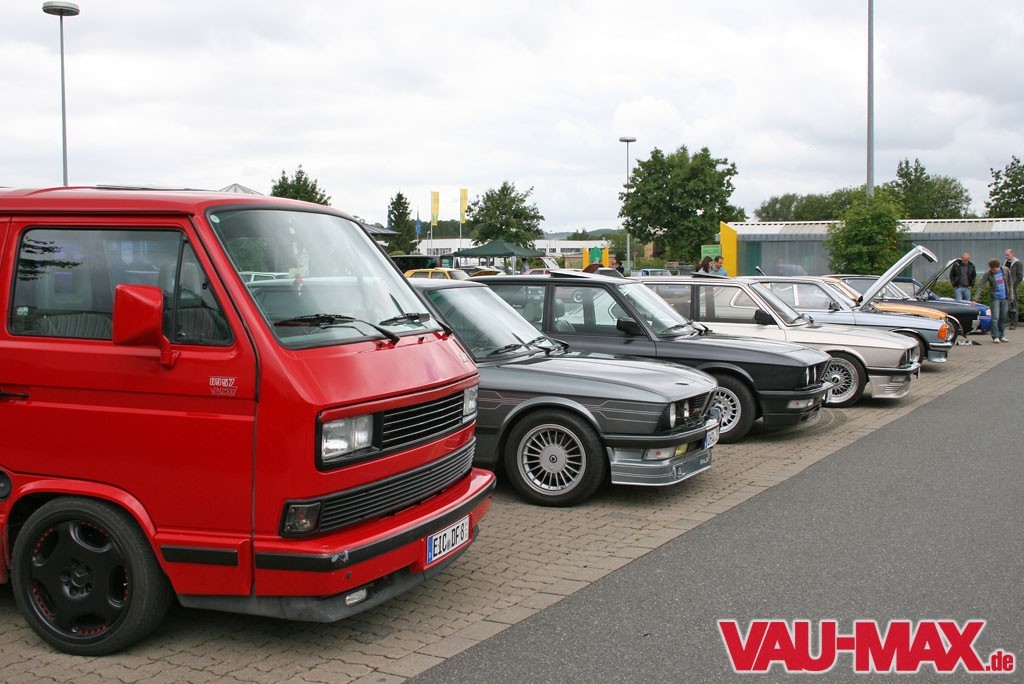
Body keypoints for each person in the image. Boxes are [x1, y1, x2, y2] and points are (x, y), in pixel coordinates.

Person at [973, 259, 1015, 343]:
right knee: (995, 318)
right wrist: (975, 299)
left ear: (998, 267)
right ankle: (995, 336)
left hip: (1005, 297)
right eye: (991, 269)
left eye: (994, 269)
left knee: (1003, 317)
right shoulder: (988, 274)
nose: (993, 271)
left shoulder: (1005, 270)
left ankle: (1001, 335)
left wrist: (1011, 295)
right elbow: (981, 285)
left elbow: (1010, 283)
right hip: (995, 297)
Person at [1004, 248, 1023, 330]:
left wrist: (1014, 286)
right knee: (1005, 304)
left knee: (1013, 305)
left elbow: (1020, 277)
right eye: (1005, 255)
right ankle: (1004, 321)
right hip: (1005, 286)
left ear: (1012, 254)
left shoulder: (1017, 263)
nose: (1006, 256)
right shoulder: (1005, 263)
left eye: (1007, 255)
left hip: (1013, 287)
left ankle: (1014, 323)